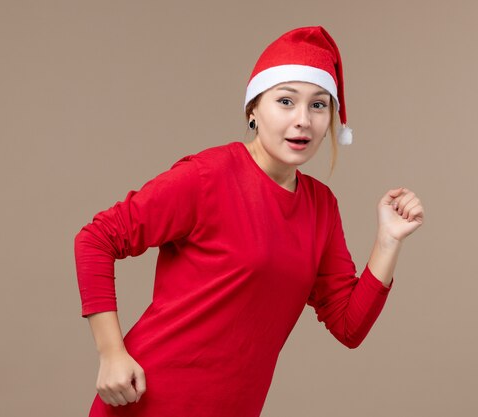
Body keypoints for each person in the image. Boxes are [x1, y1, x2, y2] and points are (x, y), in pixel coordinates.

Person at [73, 25, 424, 417]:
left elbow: (348, 325)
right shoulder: (207, 177)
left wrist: (388, 242)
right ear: (254, 109)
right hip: (150, 402)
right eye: (286, 101)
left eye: (318, 105)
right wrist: (111, 353)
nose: (303, 120)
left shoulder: (321, 207)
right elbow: (96, 238)